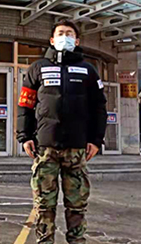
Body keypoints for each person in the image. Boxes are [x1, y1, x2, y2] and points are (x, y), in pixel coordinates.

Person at [17, 20, 107, 244]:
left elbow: (99, 108)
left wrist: (96, 140)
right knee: (44, 204)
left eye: (69, 34)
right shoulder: (38, 68)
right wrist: (25, 136)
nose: (64, 37)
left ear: (76, 41)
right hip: (45, 148)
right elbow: (25, 105)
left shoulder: (88, 70)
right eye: (60, 33)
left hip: (77, 148)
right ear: (52, 40)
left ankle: (77, 241)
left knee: (77, 204)